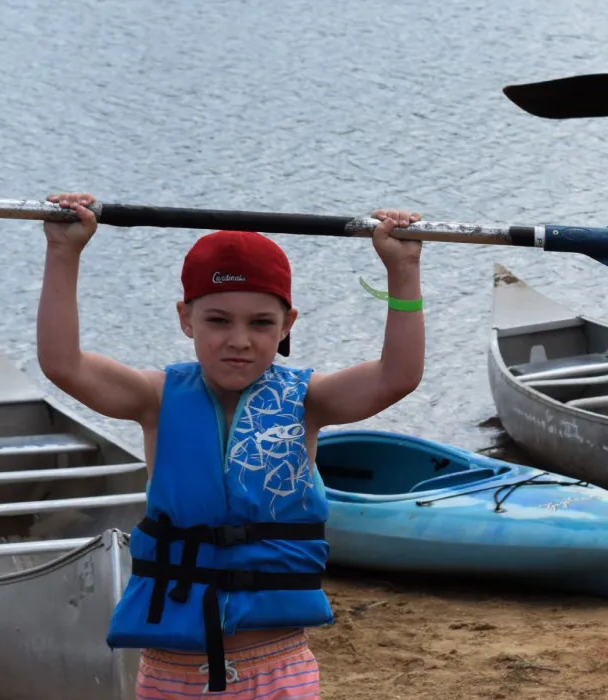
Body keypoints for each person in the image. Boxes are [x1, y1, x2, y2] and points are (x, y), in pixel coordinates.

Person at [34, 193, 427, 698]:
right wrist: (64, 251)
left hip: (276, 667)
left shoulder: (309, 401)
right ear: (185, 319)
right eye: (218, 320)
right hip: (172, 674)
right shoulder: (154, 399)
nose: (239, 339)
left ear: (287, 325)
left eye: (261, 322)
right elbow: (63, 363)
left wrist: (404, 268)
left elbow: (398, 375)